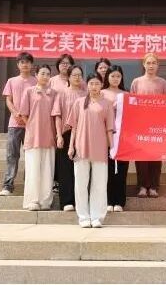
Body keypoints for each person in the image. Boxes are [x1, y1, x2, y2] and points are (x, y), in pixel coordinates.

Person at [67, 73, 114, 228]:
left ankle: (97, 217)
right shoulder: (79, 102)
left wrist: (112, 147)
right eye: (91, 83)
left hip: (100, 148)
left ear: (102, 85)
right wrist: (71, 146)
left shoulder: (107, 104)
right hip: (81, 147)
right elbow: (73, 127)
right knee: (80, 184)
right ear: (87, 85)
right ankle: (83, 217)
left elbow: (109, 129)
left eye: (97, 83)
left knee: (99, 184)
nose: (94, 87)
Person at [18, 64, 57, 211]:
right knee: (33, 169)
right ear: (36, 75)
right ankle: (32, 200)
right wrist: (31, 126)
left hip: (50, 135)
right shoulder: (29, 91)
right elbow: (23, 114)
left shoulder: (54, 93)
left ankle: (45, 201)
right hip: (33, 136)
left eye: (48, 74)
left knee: (47, 170)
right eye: (42, 73)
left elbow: (57, 115)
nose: (45, 76)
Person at [130, 53, 166, 198]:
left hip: (157, 126)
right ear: (143, 64)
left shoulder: (162, 83)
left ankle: (153, 186)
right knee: (141, 157)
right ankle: (142, 186)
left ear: (158, 65)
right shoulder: (137, 82)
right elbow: (132, 103)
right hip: (140, 125)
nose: (151, 65)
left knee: (155, 157)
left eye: (154, 63)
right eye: (148, 63)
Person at [0, 52, 37, 197]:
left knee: (31, 156)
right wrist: (15, 113)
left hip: (31, 125)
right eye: (22, 62)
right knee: (12, 155)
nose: (25, 64)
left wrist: (27, 117)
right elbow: (8, 100)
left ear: (31, 64)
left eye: (28, 62)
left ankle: (30, 185)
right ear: (18, 65)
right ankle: (8, 185)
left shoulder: (36, 81)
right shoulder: (11, 81)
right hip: (14, 124)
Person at [51, 65, 86, 211]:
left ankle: (80, 201)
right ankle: (67, 201)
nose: (77, 78)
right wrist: (59, 135)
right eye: (74, 75)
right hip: (66, 133)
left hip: (83, 135)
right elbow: (57, 115)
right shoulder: (62, 93)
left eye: (79, 75)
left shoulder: (86, 94)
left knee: (81, 169)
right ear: (69, 77)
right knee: (65, 169)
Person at [102, 65, 128, 211]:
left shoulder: (126, 94)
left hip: (123, 138)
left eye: (118, 76)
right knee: (107, 170)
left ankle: (119, 201)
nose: (115, 79)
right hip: (105, 136)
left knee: (122, 170)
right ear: (107, 77)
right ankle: (108, 201)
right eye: (113, 76)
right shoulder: (101, 92)